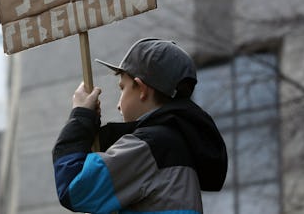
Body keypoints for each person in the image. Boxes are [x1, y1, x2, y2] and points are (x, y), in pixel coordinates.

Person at [52, 38, 228, 213]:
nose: (118, 105)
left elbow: (74, 188)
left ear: (142, 89)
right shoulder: (177, 143)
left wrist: (80, 117)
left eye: (123, 88)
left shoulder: (151, 146)